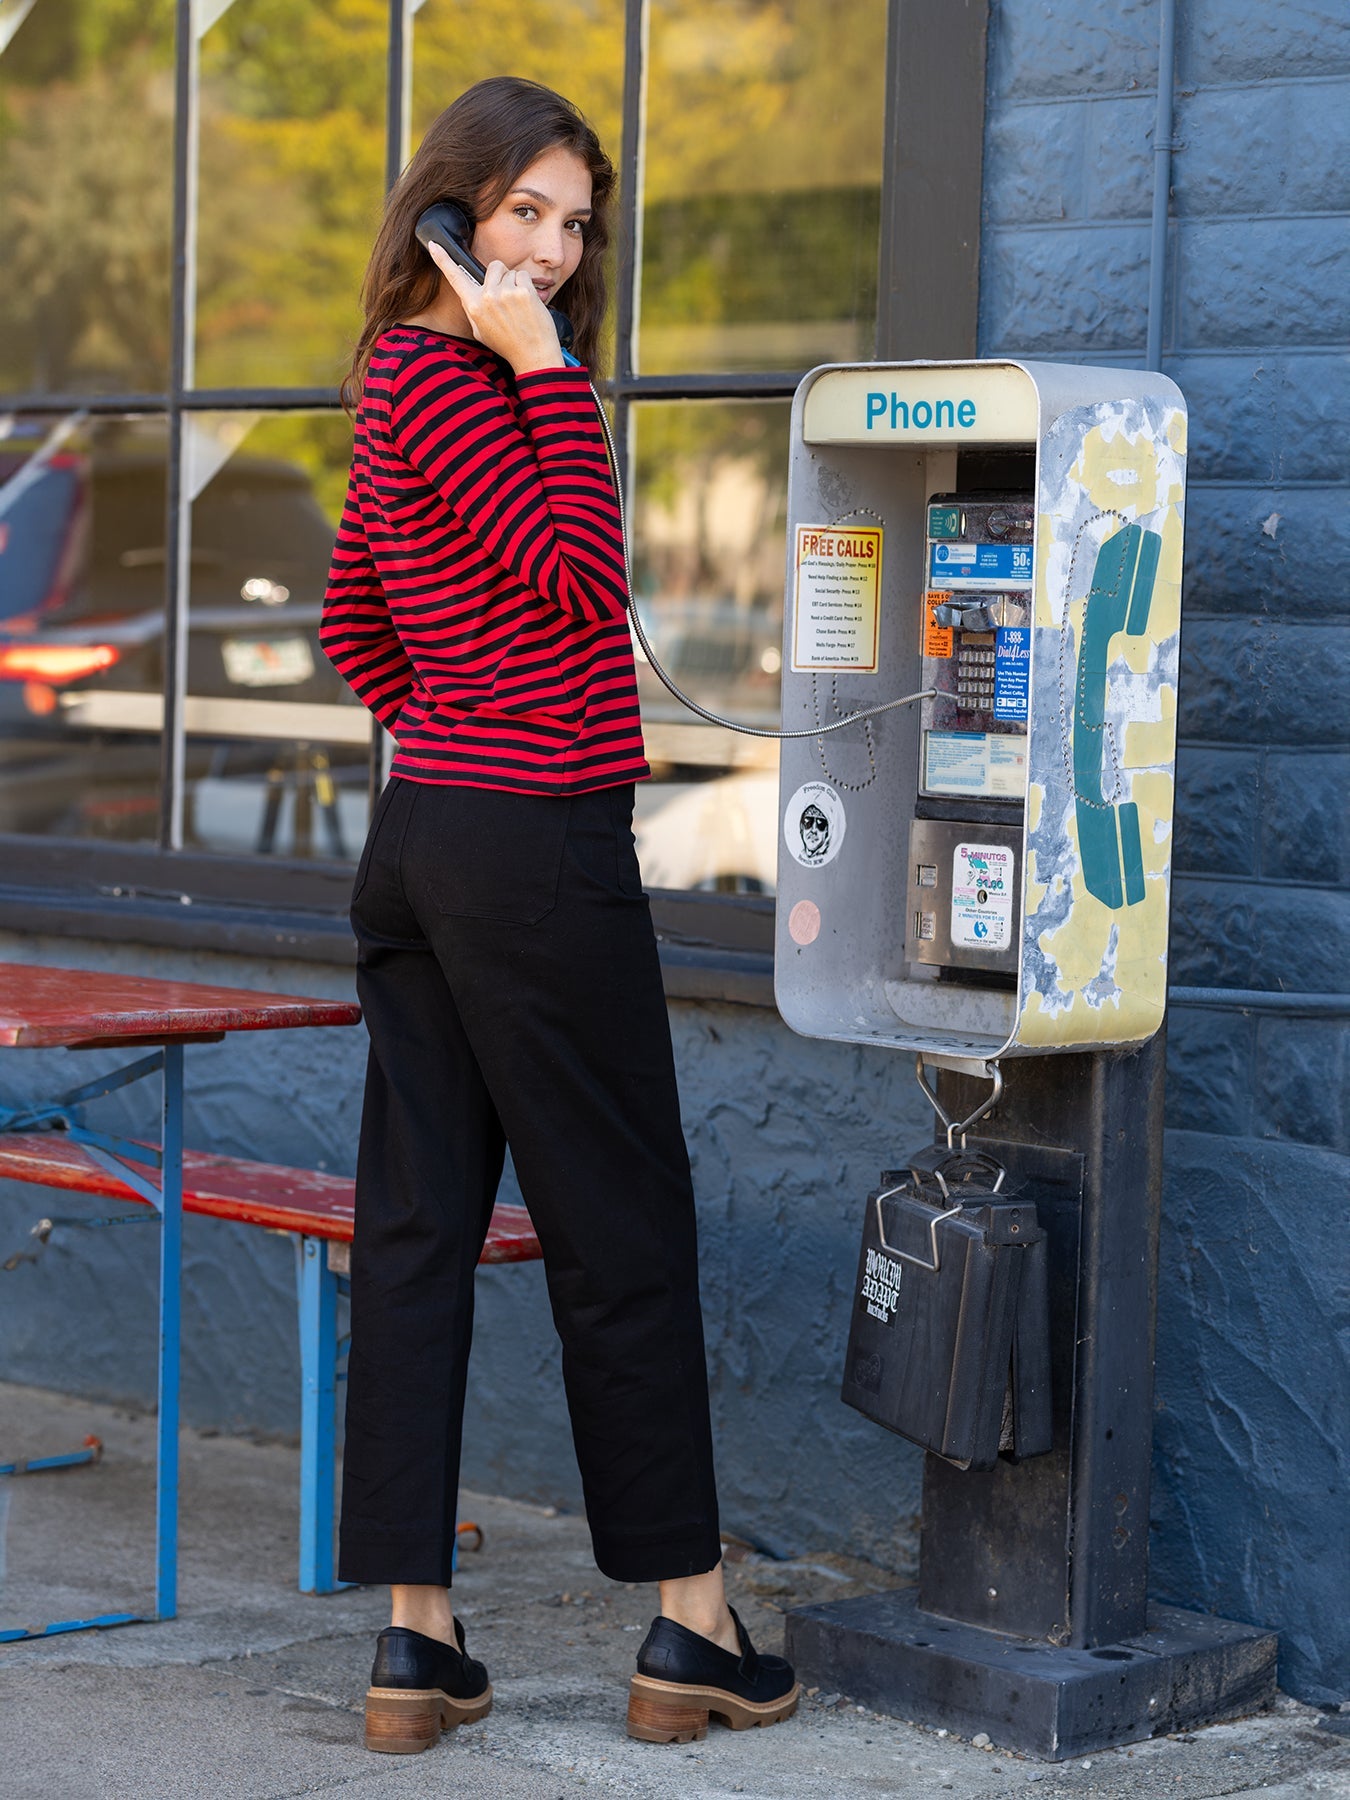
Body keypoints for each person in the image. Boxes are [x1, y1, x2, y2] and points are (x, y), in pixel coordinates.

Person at [319, 76, 798, 1757]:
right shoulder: (488, 379)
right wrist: (541, 377)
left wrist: (442, 734)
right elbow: (579, 575)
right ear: (451, 211)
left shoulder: (391, 376)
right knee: (620, 1227)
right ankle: (690, 1623)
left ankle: (413, 1648)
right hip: (535, 845)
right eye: (520, 210)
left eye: (574, 223)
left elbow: (353, 623)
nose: (549, 246)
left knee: (416, 1223)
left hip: (426, 835)